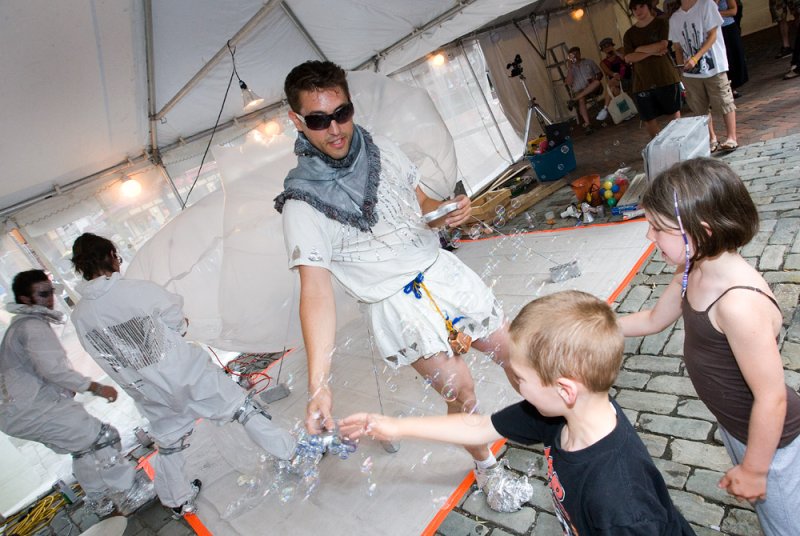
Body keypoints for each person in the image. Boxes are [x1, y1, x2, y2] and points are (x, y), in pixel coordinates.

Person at [274, 60, 528, 511]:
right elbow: (314, 292)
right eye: (318, 120)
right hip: (397, 305)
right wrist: (318, 385)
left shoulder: (382, 148)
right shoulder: (301, 204)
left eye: (342, 113)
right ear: (296, 121)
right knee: (463, 389)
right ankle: (487, 468)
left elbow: (421, 202)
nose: (334, 129)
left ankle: (546, 420)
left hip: (443, 271)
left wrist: (446, 209)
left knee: (516, 353)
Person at [342, 291, 695, 533]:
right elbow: (479, 427)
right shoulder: (559, 417)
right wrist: (396, 427)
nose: (514, 381)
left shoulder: (620, 501)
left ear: (565, 389)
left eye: (520, 377)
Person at [618, 158, 800, 535]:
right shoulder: (691, 269)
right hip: (737, 425)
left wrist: (754, 468)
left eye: (658, 228)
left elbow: (772, 398)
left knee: (785, 524)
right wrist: (595, 327)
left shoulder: (737, 304)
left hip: (774, 441)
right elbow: (654, 319)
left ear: (701, 232)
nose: (648, 237)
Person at [69, 233, 298, 518]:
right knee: (241, 409)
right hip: (186, 373)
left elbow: (104, 357)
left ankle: (178, 500)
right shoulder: (135, 291)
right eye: (116, 256)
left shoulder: (80, 316)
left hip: (146, 389)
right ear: (109, 257)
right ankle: (291, 452)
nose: (119, 261)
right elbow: (175, 319)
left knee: (170, 442)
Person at [0, 270, 153, 516]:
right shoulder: (32, 326)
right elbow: (54, 369)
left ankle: (100, 501)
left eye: (50, 292)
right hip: (34, 410)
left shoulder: (19, 327)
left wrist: (64, 391)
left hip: (20, 414)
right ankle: (130, 493)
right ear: (25, 299)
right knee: (103, 438)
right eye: (42, 293)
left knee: (83, 447)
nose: (50, 299)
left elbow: (36, 371)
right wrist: (95, 387)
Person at [669, 0, 739, 153]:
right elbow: (678, 48)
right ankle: (711, 138)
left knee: (724, 99)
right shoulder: (675, 18)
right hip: (690, 72)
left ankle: (731, 137)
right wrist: (682, 71)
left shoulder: (706, 5)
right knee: (699, 107)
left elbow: (712, 36)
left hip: (714, 65)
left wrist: (696, 58)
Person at [624, 0, 683, 138]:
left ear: (648, 6)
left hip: (665, 76)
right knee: (649, 119)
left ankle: (679, 143)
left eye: (641, 6)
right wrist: (652, 52)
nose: (638, 11)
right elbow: (628, 58)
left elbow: (663, 45)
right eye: (634, 9)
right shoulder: (629, 34)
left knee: (673, 114)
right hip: (642, 82)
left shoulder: (661, 23)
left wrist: (639, 49)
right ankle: (658, 148)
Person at [564, 46, 603, 132]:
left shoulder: (588, 62)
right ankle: (588, 124)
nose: (575, 56)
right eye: (573, 55)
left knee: (597, 82)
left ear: (580, 54)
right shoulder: (570, 68)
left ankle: (573, 100)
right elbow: (569, 83)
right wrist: (570, 68)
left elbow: (600, 74)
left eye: (577, 54)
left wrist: (595, 78)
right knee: (581, 99)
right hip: (580, 91)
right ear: (570, 57)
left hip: (592, 87)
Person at [596, 37, 634, 121]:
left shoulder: (621, 50)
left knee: (611, 84)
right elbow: (609, 72)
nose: (607, 48)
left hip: (629, 78)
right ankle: (627, 113)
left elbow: (626, 59)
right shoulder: (603, 62)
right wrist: (615, 74)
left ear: (612, 45)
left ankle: (605, 109)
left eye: (608, 46)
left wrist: (615, 52)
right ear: (602, 50)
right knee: (613, 89)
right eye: (605, 48)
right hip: (618, 82)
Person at [716, 0, 748, 95]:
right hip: (714, 30)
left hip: (728, 26)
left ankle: (733, 86)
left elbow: (733, 11)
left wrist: (716, 13)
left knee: (733, 57)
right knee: (722, 58)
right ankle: (725, 87)